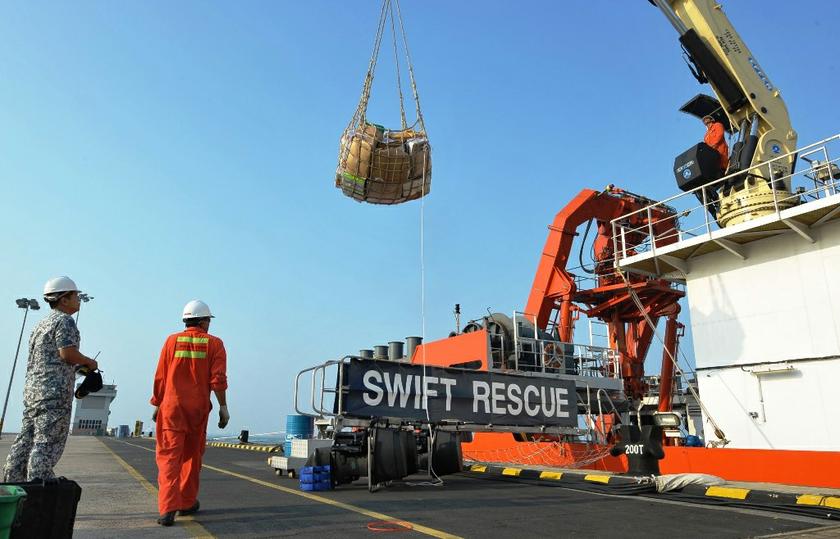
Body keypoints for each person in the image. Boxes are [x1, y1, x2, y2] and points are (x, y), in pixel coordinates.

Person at [3, 276, 99, 482]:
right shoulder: (65, 321)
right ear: (64, 299)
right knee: (47, 442)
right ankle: (39, 484)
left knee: (26, 439)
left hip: (33, 392)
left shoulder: (41, 324)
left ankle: (13, 482)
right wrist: (90, 363)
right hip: (54, 394)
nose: (79, 299)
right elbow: (67, 354)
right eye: (75, 295)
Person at [151, 300, 229, 527]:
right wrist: (223, 407)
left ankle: (167, 510)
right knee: (192, 458)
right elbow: (218, 380)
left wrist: (157, 404)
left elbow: (161, 377)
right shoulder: (215, 344)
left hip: (171, 408)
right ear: (205, 321)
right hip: (197, 409)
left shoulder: (171, 341)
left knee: (169, 459)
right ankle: (186, 502)